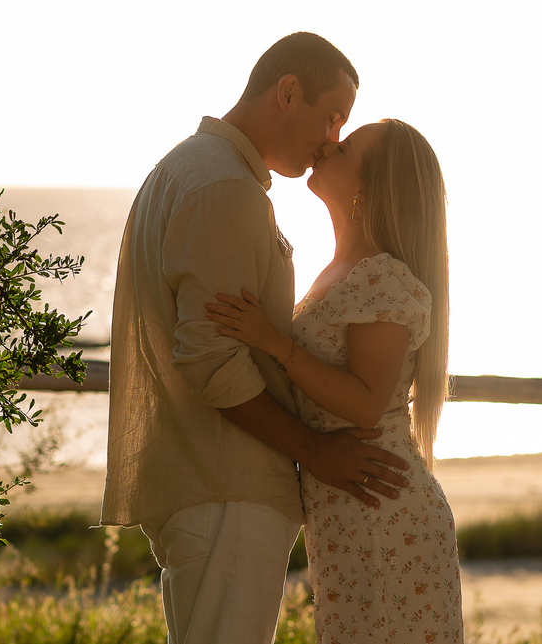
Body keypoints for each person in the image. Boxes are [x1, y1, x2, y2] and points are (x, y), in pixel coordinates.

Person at [100, 32, 412, 644]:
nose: (332, 138)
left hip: (213, 489)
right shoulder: (224, 187)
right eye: (332, 116)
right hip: (227, 492)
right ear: (288, 92)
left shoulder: (191, 169)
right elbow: (213, 362)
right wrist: (314, 450)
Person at [206, 118, 464, 642]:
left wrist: (273, 341)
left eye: (344, 149)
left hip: (382, 510)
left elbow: (367, 403)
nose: (327, 146)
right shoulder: (342, 269)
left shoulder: (380, 277)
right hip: (348, 506)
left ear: (369, 189)